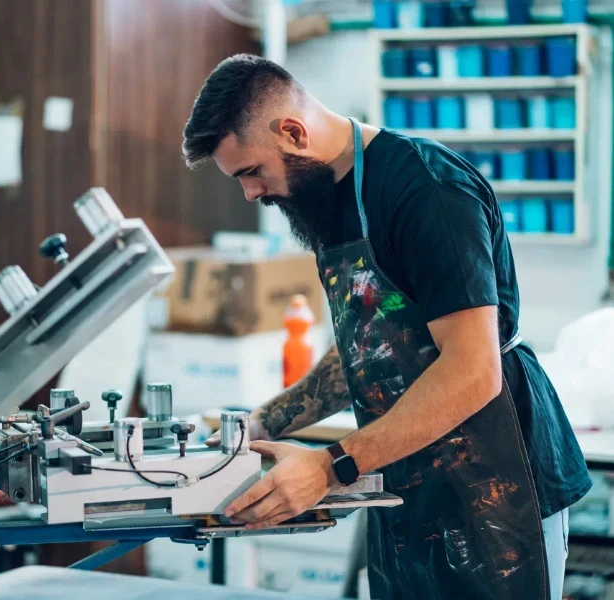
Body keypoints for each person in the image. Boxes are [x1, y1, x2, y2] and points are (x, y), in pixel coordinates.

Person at [182, 54, 591, 600]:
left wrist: (330, 467)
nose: (251, 193)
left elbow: (473, 372)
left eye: (252, 171)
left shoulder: (426, 190)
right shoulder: (328, 195)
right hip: (405, 483)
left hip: (497, 486)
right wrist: (261, 423)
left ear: (293, 132)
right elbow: (371, 339)